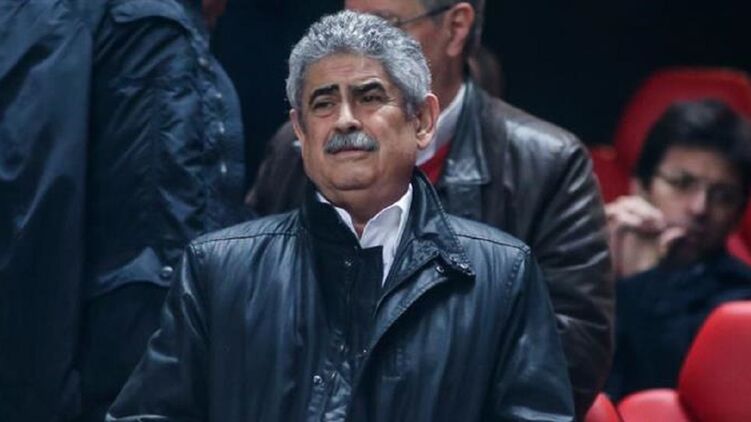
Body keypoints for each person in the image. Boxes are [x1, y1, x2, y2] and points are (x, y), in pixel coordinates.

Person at [107, 11, 575, 421]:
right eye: (324, 103)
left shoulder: (501, 274)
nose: (345, 119)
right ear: (300, 130)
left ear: (422, 120)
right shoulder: (217, 269)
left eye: (369, 97)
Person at [246, 0, 612, 416]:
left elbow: (571, 355)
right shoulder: (296, 148)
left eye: (382, 25)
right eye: (348, 22)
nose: (355, 43)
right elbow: (250, 317)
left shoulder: (547, 163)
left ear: (455, 28)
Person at [1, 1, 247, 421]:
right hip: (108, 378)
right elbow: (37, 214)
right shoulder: (83, 16)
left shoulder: (171, 27)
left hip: (161, 371)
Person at [605, 99, 751, 400]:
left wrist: (644, 281)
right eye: (682, 183)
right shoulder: (589, 258)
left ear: (738, 216)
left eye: (723, 196)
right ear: (641, 186)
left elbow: (675, 393)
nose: (699, 208)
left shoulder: (740, 297)